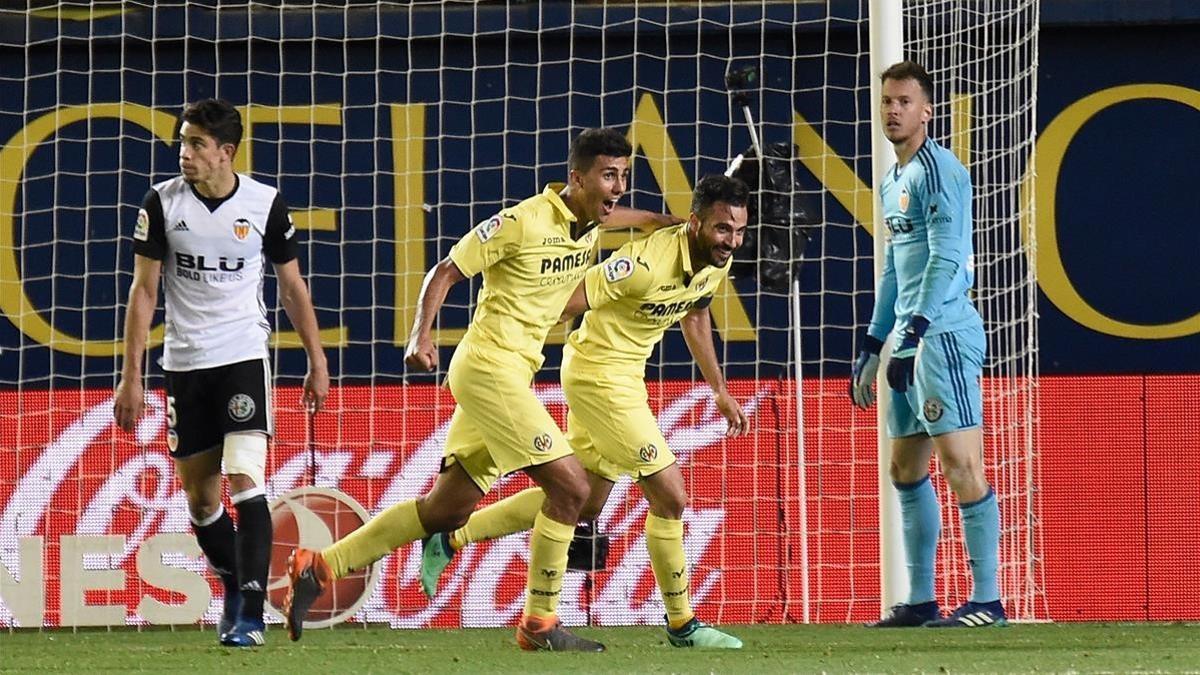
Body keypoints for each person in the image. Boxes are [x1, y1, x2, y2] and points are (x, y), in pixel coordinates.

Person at [283, 128, 676, 652]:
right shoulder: (522, 221)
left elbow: (643, 220)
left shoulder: (591, 222)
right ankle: (539, 622)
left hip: (514, 374)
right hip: (488, 369)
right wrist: (420, 334)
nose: (619, 188)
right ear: (576, 179)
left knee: (446, 511)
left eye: (624, 176)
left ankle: (319, 565)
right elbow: (447, 270)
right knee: (574, 490)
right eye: (609, 176)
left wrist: (681, 224)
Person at [419, 174, 751, 649]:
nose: (732, 242)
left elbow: (696, 313)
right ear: (697, 222)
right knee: (671, 495)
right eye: (723, 229)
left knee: (585, 501)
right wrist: (515, 323)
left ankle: (452, 538)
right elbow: (569, 301)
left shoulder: (714, 262)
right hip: (598, 376)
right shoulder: (641, 264)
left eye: (739, 231)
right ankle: (682, 624)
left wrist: (718, 389)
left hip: (626, 377)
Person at [113, 98, 330, 647]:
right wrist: (131, 375)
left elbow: (291, 286)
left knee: (244, 478)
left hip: (242, 357)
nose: (184, 154)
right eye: (183, 142)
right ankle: (235, 580)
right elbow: (144, 291)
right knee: (202, 501)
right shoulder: (161, 203)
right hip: (185, 363)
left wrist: (316, 359)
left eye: (196, 144)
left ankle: (252, 614)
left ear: (226, 152)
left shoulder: (264, 203)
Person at [849, 61, 1004, 628]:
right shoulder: (893, 180)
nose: (893, 110)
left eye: (904, 101)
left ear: (927, 110)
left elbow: (945, 259)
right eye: (887, 101)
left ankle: (987, 598)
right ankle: (920, 600)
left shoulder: (942, 173)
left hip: (941, 338)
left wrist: (913, 332)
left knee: (962, 464)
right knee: (904, 469)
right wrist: (872, 342)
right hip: (907, 341)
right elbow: (895, 267)